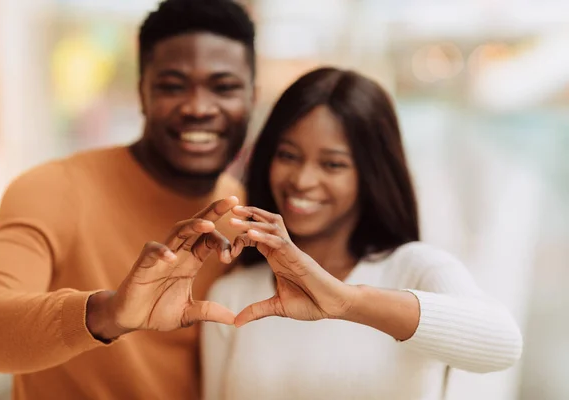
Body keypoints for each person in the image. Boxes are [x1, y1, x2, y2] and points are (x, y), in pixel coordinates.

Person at [0, 0, 256, 399]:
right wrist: (109, 314)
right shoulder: (57, 188)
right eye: (172, 86)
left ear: (252, 98)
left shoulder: (253, 217)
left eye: (224, 87)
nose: (198, 108)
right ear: (142, 93)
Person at [201, 67, 523, 400]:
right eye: (288, 156)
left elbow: (503, 345)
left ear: (370, 173)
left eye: (333, 164)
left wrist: (345, 301)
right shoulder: (232, 295)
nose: (302, 180)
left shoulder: (415, 269)